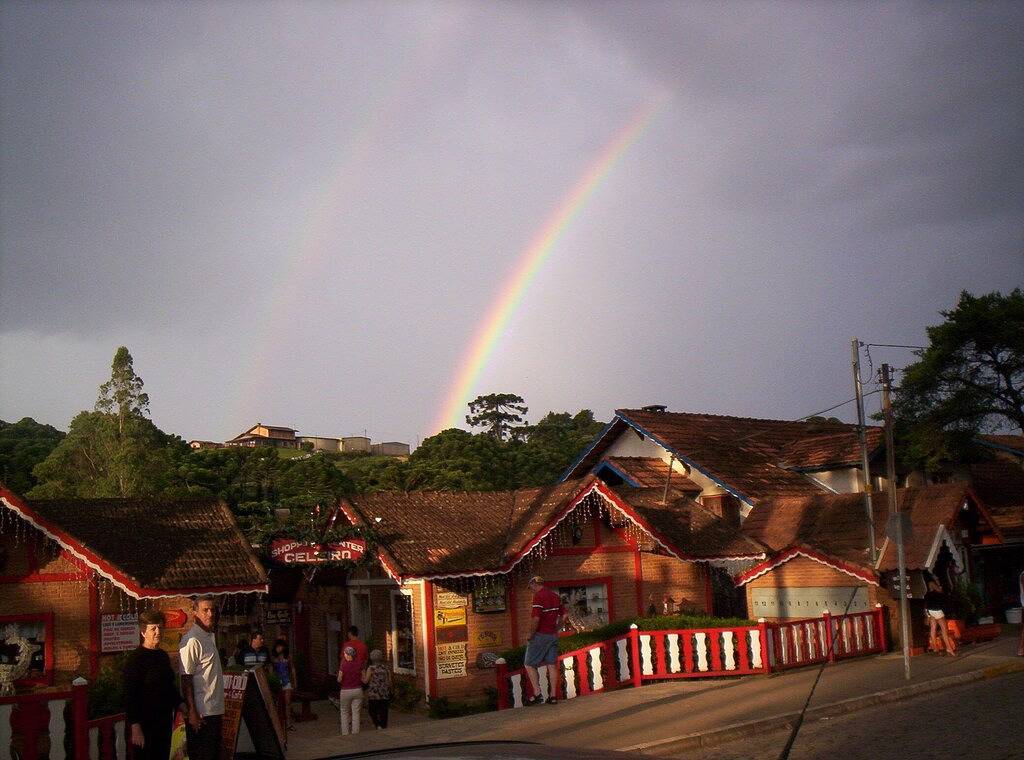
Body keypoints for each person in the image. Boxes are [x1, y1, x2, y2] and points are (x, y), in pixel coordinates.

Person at [123, 610, 185, 760]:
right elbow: (130, 695)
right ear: (143, 633)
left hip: (163, 723)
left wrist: (182, 705)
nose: (158, 632)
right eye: (153, 629)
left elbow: (169, 687)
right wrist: (135, 726)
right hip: (144, 725)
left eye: (160, 628)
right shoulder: (136, 660)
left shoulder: (162, 656)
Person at [179, 596, 225, 760]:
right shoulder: (192, 640)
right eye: (205, 610)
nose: (210, 614)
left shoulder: (209, 636)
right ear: (195, 613)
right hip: (201, 713)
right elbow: (186, 678)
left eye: (212, 609)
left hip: (214, 709)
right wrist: (192, 712)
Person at [523, 575, 566, 706]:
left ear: (534, 584)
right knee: (551, 664)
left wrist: (531, 634)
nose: (531, 589)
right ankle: (553, 696)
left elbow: (536, 619)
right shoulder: (555, 596)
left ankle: (537, 694)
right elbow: (564, 615)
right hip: (553, 635)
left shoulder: (538, 597)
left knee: (529, 664)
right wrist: (557, 627)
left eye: (530, 586)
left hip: (541, 635)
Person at [923, 579, 957, 656]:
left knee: (933, 628)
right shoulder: (931, 583)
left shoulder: (926, 583)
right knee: (944, 630)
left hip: (930, 608)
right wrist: (939, 585)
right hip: (936, 608)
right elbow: (940, 590)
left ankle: (935, 648)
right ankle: (949, 648)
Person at [271, 639, 298, 730]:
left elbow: (292, 669)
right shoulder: (274, 659)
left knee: (287, 702)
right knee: (278, 703)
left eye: (280, 646)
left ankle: (288, 723)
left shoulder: (288, 657)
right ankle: (278, 723)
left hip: (287, 681)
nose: (278, 648)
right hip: (277, 682)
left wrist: (294, 681)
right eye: (277, 646)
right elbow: (272, 671)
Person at [362, 649, 392, 729]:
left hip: (374, 694)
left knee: (372, 710)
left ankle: (377, 724)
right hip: (384, 693)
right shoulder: (386, 668)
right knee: (384, 711)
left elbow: (365, 681)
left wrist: (362, 675)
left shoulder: (371, 668)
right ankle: (383, 726)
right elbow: (389, 682)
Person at [336, 645, 363, 734]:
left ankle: (345, 733)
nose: (344, 655)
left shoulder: (343, 663)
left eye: (344, 653)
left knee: (344, 712)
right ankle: (355, 732)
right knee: (356, 712)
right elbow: (363, 677)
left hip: (345, 690)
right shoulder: (359, 663)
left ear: (347, 655)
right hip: (358, 690)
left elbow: (339, 679)